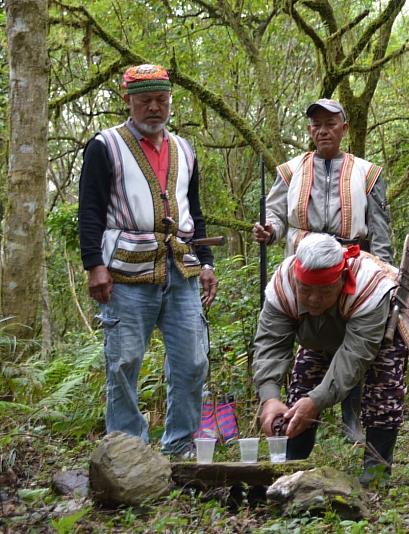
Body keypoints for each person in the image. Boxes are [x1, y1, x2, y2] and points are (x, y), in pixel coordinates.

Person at [78, 64, 218, 458]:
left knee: (193, 359)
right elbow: (89, 211)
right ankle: (127, 452)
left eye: (161, 100)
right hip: (124, 271)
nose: (154, 108)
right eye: (145, 101)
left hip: (181, 268)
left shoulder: (185, 149)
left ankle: (179, 447)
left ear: (170, 101)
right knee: (123, 362)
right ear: (128, 102)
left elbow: (196, 213)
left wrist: (206, 262)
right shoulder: (105, 146)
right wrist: (94, 265)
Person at [252, 98, 394, 442]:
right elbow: (276, 217)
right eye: (316, 125)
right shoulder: (290, 171)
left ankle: (353, 414)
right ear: (309, 130)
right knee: (312, 341)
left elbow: (380, 226)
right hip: (305, 266)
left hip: (350, 266)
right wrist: (269, 231)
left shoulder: (367, 172)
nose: (323, 131)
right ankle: (299, 422)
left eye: (330, 124)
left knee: (357, 337)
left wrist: (387, 270)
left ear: (344, 129)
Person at [252, 233, 409, 485]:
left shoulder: (369, 286)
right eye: (306, 289)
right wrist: (269, 397)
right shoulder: (282, 285)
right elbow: (270, 344)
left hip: (384, 324)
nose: (313, 299)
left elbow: (354, 357)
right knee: (302, 387)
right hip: (320, 333)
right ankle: (292, 463)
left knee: (383, 388)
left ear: (342, 279)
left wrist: (318, 400)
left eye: (324, 291)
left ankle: (376, 473)